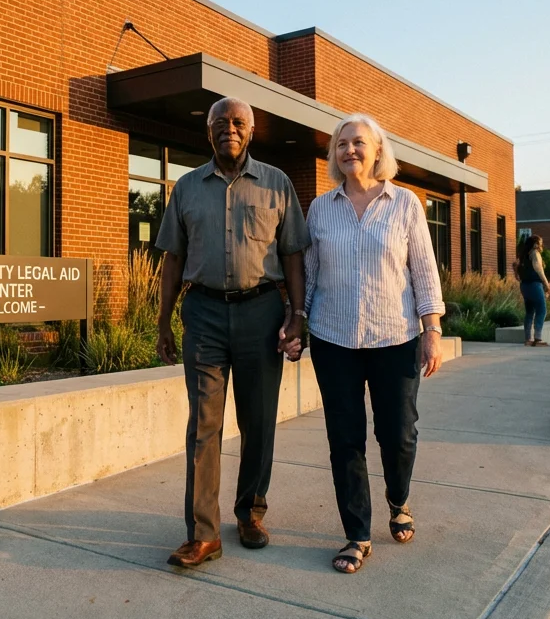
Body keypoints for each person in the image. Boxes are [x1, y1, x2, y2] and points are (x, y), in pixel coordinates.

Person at [154, 96, 310, 568]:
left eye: (238, 121)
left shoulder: (278, 184)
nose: (229, 128)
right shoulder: (185, 188)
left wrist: (297, 315)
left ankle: (250, 513)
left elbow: (293, 256)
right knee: (203, 426)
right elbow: (173, 260)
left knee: (259, 421)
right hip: (202, 314)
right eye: (220, 122)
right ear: (208, 132)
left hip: (261, 313)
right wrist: (163, 320)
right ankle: (203, 533)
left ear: (251, 130)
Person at [293, 113, 445, 574]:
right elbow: (310, 271)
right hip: (333, 338)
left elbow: (423, 268)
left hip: (395, 337)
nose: (349, 151)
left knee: (397, 433)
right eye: (342, 144)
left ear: (378, 151)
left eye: (359, 142)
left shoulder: (405, 205)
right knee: (345, 439)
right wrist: (298, 319)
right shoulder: (320, 207)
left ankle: (398, 500)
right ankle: (356, 533)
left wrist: (432, 329)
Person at [516, 234, 550, 347]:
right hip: (534, 285)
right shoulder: (535, 253)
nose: (541, 245)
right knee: (542, 310)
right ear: (535, 244)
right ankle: (538, 338)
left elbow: (517, 271)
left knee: (529, 312)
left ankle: (528, 339)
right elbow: (539, 269)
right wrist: (546, 284)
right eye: (540, 243)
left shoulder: (523, 255)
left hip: (524, 286)